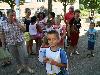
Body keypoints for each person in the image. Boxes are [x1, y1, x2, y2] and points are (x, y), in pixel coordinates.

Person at [0, 9, 34, 74]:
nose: (13, 17)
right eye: (11, 15)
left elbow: (24, 30)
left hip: (20, 42)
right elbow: (2, 34)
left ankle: (27, 67)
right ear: (7, 15)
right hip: (11, 44)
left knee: (25, 56)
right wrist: (3, 43)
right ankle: (20, 67)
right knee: (16, 57)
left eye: (14, 15)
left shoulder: (19, 20)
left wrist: (18, 24)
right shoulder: (2, 23)